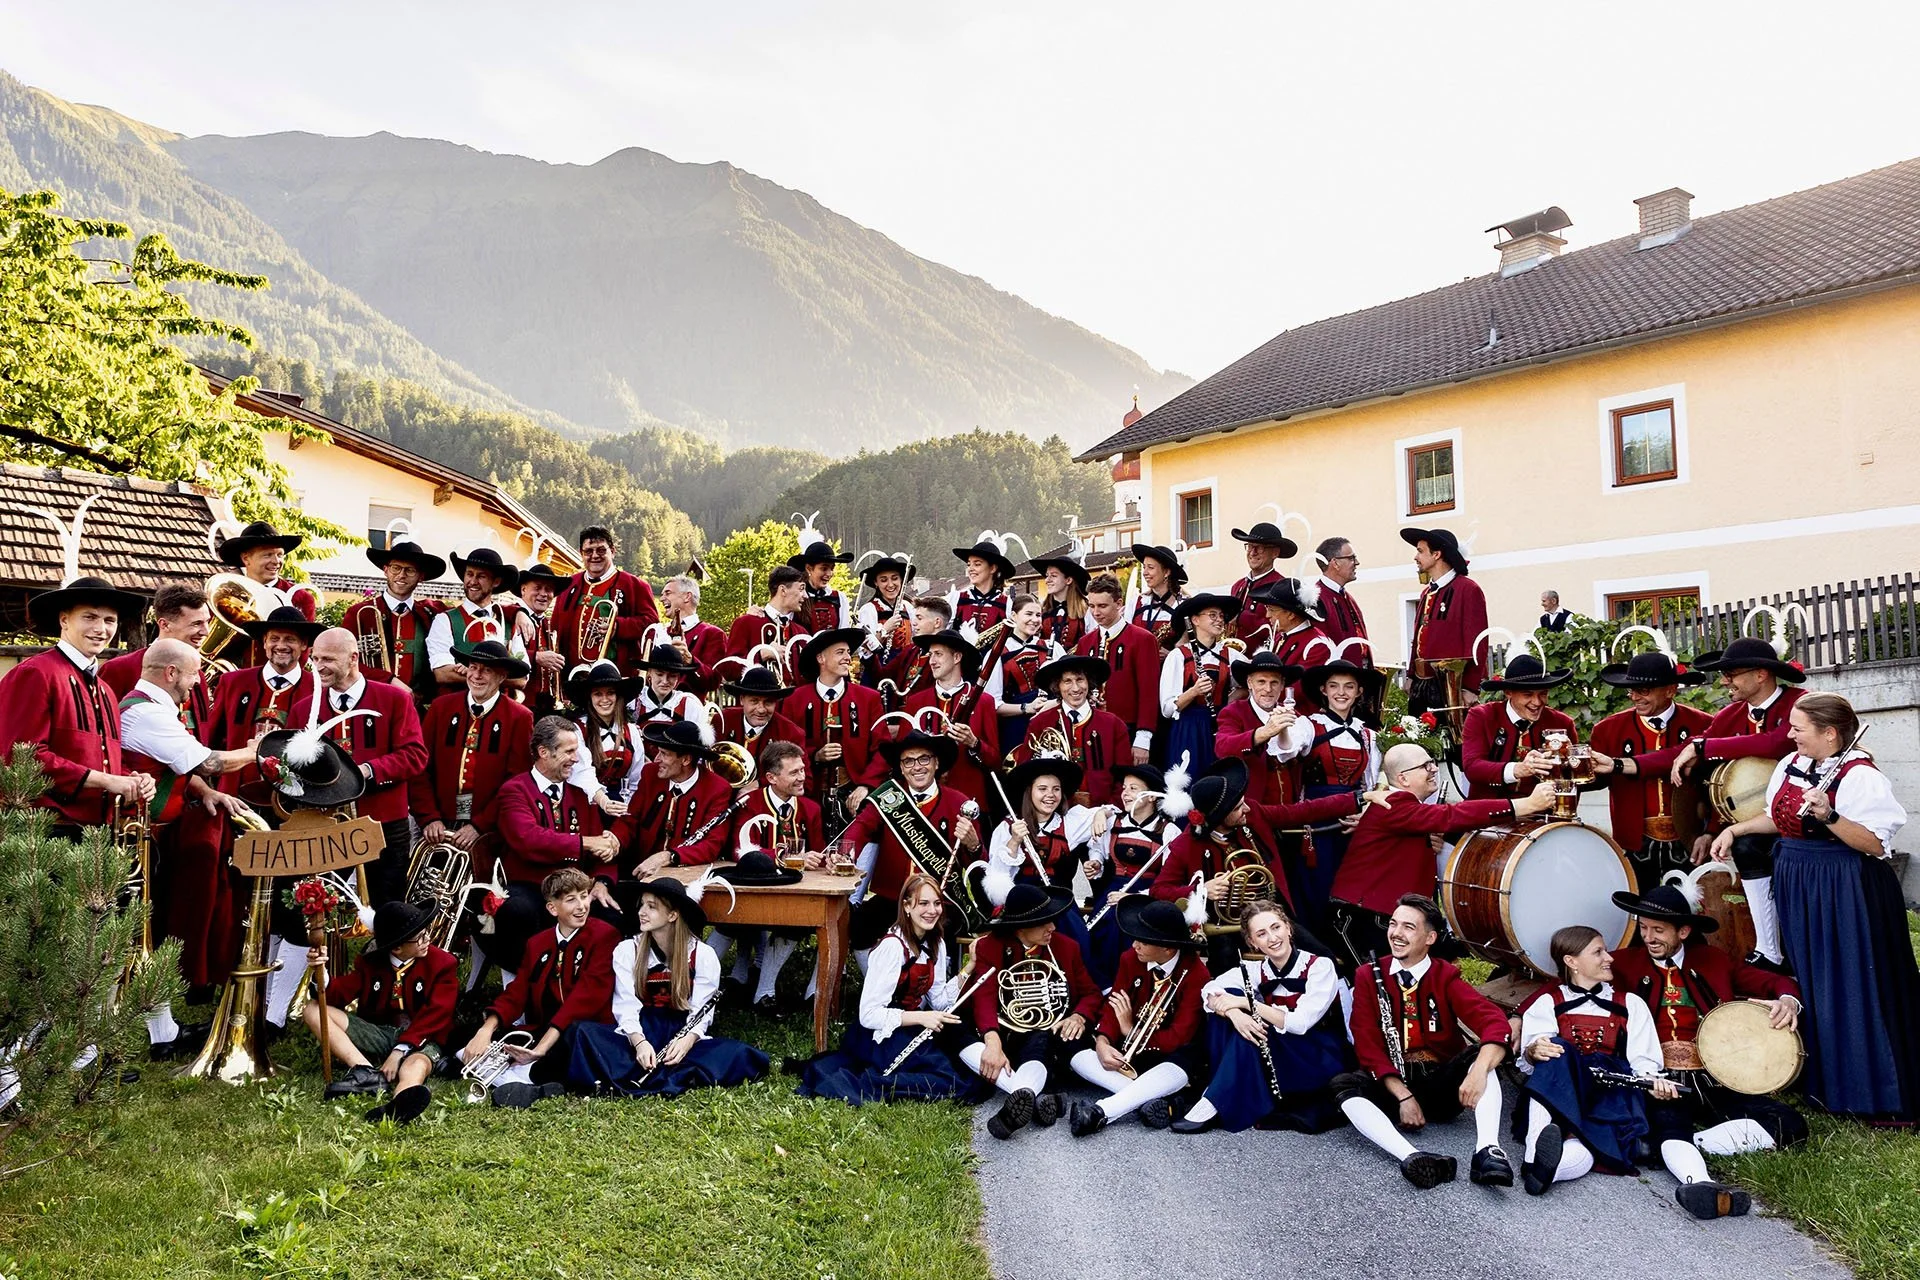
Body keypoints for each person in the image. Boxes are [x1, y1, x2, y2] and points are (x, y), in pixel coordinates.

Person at [1713, 691, 1917, 1121]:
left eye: (1798, 728)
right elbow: (1777, 817)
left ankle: (1870, 1092)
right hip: (1799, 880)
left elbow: (1876, 844)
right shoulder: (1792, 764)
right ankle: (1822, 1080)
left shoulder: (1861, 776)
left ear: (1829, 733)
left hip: (1846, 886)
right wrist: (1736, 831)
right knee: (1810, 975)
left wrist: (1830, 817)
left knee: (1849, 981)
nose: (1789, 735)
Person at [117, 638, 260, 1048]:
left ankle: (162, 1033)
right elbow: (207, 761)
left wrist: (204, 792)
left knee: (147, 936)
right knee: (135, 937)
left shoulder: (151, 708)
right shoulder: (147, 713)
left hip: (154, 835)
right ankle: (102, 1040)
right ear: (172, 673)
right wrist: (253, 752)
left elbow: (175, 764)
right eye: (195, 673)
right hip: (139, 837)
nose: (198, 682)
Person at [1609, 884, 1809, 1171]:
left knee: (1790, 1125)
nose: (1648, 938)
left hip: (1714, 1076)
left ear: (1683, 932)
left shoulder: (1712, 960)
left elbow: (1775, 982)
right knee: (1667, 1123)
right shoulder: (1623, 963)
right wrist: (1519, 1016)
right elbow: (1566, 983)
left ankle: (1687, 1145)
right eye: (1644, 928)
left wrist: (1789, 1001)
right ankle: (1678, 1148)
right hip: (1659, 1080)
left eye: (1658, 930)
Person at [1646, 636, 1808, 968]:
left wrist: (1702, 747)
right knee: (1744, 850)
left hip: (1802, 821)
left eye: (1732, 673)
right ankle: (1761, 952)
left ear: (1761, 674)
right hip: (1750, 828)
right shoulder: (1730, 715)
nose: (1724, 681)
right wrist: (1711, 829)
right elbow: (1715, 781)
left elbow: (1776, 742)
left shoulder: (1800, 703)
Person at [1334, 895, 1514, 1189]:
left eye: (1408, 927)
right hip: (1393, 1088)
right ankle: (1414, 1157)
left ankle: (1488, 1150)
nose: (1396, 934)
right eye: (1393, 924)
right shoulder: (1368, 975)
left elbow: (1493, 1022)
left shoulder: (1444, 975)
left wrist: (1479, 1070)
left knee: (1481, 1057)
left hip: (1440, 1087)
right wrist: (1403, 1096)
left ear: (1430, 937)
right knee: (1344, 1084)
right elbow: (1366, 1043)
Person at [1329, 743, 1552, 966]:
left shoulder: (1405, 807)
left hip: (1381, 917)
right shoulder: (1393, 804)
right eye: (1426, 766)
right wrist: (1524, 805)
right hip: (1364, 919)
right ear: (1403, 779)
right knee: (1378, 988)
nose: (1434, 769)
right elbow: (1451, 815)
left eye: (1433, 763)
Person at [566, 874, 768, 1098]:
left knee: (740, 1054)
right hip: (640, 1030)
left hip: (680, 1030)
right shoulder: (627, 950)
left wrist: (687, 1041)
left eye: (651, 907)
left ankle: (661, 1068)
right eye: (641, 905)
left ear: (672, 915)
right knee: (582, 1033)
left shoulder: (703, 955)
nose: (642, 912)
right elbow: (625, 1004)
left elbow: (702, 1011)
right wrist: (639, 1042)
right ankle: (661, 1070)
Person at [1151, 757, 1358, 969]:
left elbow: (1304, 811)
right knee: (1226, 965)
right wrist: (1200, 890)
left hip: (1269, 917)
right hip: (1225, 931)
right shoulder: (1185, 846)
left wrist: (1358, 798)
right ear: (1219, 817)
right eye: (1238, 808)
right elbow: (1158, 890)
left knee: (1324, 959)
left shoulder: (1254, 814)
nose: (1247, 809)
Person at [798, 873, 983, 1104]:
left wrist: (970, 967)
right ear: (906, 906)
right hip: (879, 1035)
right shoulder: (892, 947)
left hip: (912, 1027)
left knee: (964, 1071)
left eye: (936, 903)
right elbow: (868, 1015)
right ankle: (873, 1084)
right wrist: (921, 1017)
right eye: (923, 903)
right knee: (950, 1081)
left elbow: (939, 1001)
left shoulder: (936, 943)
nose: (932, 910)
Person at [1513, 925, 1668, 1198]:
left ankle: (1545, 1169)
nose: (1609, 958)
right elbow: (1531, 1057)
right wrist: (1532, 1052)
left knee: (1587, 1146)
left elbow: (1644, 1060)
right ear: (1571, 962)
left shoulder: (1630, 1003)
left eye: (1605, 950)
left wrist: (1653, 1081)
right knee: (1553, 1048)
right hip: (1560, 1091)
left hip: (1609, 1096)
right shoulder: (1548, 1002)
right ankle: (1535, 1149)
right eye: (1598, 952)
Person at [1174, 897, 1350, 1134]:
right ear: (1252, 942)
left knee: (1248, 1025)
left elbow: (1299, 1024)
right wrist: (1235, 1012)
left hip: (1315, 1054)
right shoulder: (1254, 969)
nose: (1273, 938)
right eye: (1262, 934)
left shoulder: (1320, 966)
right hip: (1276, 1050)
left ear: (1288, 928)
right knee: (1229, 1011)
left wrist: (1247, 1004)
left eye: (1276, 927)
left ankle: (1213, 1099)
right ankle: (1218, 1093)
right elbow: (1209, 991)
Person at [293, 629, 429, 906]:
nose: (319, 667)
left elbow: (415, 756)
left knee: (387, 909)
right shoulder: (303, 708)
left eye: (328, 659)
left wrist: (368, 770)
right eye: (315, 658)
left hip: (384, 825)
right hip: (326, 824)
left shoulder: (395, 699)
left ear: (354, 658)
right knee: (321, 910)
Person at [463, 868, 619, 1107]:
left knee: (573, 1035)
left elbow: (584, 1000)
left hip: (584, 1030)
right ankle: (520, 1075)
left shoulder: (604, 936)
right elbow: (518, 992)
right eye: (571, 899)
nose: (582, 906)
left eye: (584, 895)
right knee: (469, 1035)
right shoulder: (538, 943)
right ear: (552, 908)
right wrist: (485, 1030)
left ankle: (525, 1076)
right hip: (544, 1029)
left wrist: (541, 1049)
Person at [962, 884, 1101, 1140]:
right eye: (1044, 923)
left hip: (1041, 1036)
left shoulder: (1066, 947)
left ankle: (1022, 1095)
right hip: (1002, 1031)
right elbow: (984, 998)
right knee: (954, 1027)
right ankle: (1031, 1096)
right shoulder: (991, 947)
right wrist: (992, 1043)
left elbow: (1091, 993)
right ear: (1021, 927)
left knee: (1042, 1036)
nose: (1053, 928)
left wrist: (1078, 1015)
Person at [306, 901, 457, 1126]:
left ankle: (400, 1102)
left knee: (415, 1065)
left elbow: (436, 1014)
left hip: (422, 1038)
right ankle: (365, 1071)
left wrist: (399, 1051)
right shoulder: (371, 961)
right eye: (420, 938)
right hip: (380, 1032)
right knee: (312, 1009)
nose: (428, 940)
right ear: (396, 948)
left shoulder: (442, 963)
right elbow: (338, 994)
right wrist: (321, 972)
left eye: (427, 933)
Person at [1068, 898, 1211, 1136]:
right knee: (1071, 1044)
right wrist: (1103, 1042)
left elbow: (1178, 1036)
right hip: (1131, 1048)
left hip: (1168, 1052)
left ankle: (1100, 1111)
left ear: (1168, 948)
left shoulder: (1196, 974)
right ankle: (1155, 1098)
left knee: (1183, 1061)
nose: (1135, 945)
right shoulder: (1130, 958)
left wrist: (1128, 1029)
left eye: (1143, 941)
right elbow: (1115, 1003)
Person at [492, 715, 623, 970]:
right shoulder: (514, 790)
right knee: (518, 912)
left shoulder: (579, 794)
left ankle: (597, 989)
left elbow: (601, 852)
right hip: (531, 887)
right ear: (543, 752)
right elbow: (528, 839)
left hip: (577, 889)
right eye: (569, 751)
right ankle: (518, 997)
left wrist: (603, 883)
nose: (576, 758)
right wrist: (585, 842)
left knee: (614, 913)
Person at [840, 731, 982, 951]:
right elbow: (861, 827)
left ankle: (931, 982)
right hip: (893, 899)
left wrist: (973, 845)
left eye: (924, 758)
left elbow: (979, 864)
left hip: (939, 901)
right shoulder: (887, 797)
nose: (916, 767)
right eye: (908, 761)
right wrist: (843, 853)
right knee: (859, 927)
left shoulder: (959, 803)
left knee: (940, 934)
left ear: (936, 763)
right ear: (901, 767)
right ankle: (881, 983)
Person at [409, 639, 535, 882]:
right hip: (438, 823)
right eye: (473, 667)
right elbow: (420, 767)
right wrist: (429, 817)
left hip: (487, 830)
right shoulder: (440, 707)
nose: (477, 675)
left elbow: (515, 783)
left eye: (486, 670)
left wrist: (479, 825)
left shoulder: (519, 717)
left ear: (502, 676)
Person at [1589, 651, 1713, 890]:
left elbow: (1716, 783)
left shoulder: (1703, 724)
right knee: (1637, 913)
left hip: (1689, 839)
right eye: (1631, 690)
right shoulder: (1607, 729)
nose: (1634, 697)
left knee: (1689, 913)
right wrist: (1567, 771)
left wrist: (1710, 832)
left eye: (1643, 690)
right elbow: (1595, 780)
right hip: (1634, 842)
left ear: (1670, 690)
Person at [714, 740, 825, 1008]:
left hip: (796, 892)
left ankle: (764, 991)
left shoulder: (810, 808)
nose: (802, 777)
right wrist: (788, 857)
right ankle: (694, 983)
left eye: (802, 770)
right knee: (730, 919)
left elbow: (819, 852)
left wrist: (824, 860)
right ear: (771, 778)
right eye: (794, 772)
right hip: (750, 891)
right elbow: (741, 849)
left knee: (796, 922)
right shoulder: (748, 803)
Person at [983, 756, 1109, 962]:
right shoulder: (1008, 827)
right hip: (1023, 906)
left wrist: (1101, 814)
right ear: (1029, 792)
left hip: (1060, 903)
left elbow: (1113, 813)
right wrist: (1014, 842)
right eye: (1042, 789)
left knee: (1078, 944)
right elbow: (996, 882)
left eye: (1056, 789)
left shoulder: (1070, 821)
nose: (1050, 795)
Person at [1297, 658, 1387, 924]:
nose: (1341, 692)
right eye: (1334, 686)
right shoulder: (1307, 726)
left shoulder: (1368, 735)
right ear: (1323, 690)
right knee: (1317, 884)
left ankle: (1347, 943)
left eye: (1349, 686)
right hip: (1316, 817)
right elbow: (1285, 754)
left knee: (1349, 883)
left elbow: (1371, 783)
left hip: (1351, 820)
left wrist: (1365, 815)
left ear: (1359, 692)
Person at [1084, 762, 1187, 988]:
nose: (1125, 793)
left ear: (1151, 797)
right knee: (1103, 929)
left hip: (1149, 896)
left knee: (1131, 931)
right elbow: (1097, 849)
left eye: (1133, 788)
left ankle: (1132, 987)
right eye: (1124, 787)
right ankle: (1102, 987)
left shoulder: (1169, 831)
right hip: (1113, 891)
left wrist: (1136, 896)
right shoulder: (1113, 822)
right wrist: (1096, 863)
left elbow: (1171, 879)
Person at [209, 607, 322, 803]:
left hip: (292, 802)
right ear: (264, 642)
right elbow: (210, 737)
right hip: (232, 796)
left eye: (290, 639)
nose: (281, 645)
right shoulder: (232, 682)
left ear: (304, 644)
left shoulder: (318, 689)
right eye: (274, 638)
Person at [785, 626, 888, 833]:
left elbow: (883, 749)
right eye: (840, 652)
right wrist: (815, 756)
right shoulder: (794, 700)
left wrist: (866, 786)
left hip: (854, 798)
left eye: (849, 652)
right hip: (807, 797)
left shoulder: (869, 699)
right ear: (821, 658)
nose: (848, 658)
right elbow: (785, 749)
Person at [614, 720, 736, 882]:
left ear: (685, 760)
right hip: (639, 872)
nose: (656, 759)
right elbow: (630, 820)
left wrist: (668, 857)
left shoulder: (717, 789)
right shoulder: (650, 774)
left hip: (685, 877)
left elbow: (711, 845)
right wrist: (613, 839)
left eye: (664, 754)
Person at [1010, 655, 1132, 808]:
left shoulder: (1114, 724)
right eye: (1067, 681)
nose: (1075, 688)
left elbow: (1124, 777)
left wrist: (1109, 809)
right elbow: (1026, 773)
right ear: (1057, 687)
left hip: (1102, 814)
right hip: (1054, 812)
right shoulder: (1039, 723)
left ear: (1089, 683)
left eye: (1080, 680)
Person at [1460, 654, 1585, 801]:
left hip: (1545, 815)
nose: (1537, 702)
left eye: (1543, 693)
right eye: (1528, 694)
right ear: (1508, 693)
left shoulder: (1562, 723)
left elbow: (1575, 779)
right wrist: (1519, 769)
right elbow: (1473, 767)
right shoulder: (1481, 716)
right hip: (1490, 814)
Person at [340, 540, 447, 709]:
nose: (401, 575)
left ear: (421, 576)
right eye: (396, 568)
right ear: (385, 570)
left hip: (417, 708)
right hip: (371, 702)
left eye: (410, 570)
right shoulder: (360, 613)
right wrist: (389, 680)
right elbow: (345, 660)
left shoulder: (432, 614)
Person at [904, 629, 1000, 810]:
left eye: (938, 654)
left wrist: (974, 743)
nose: (931, 661)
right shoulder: (915, 702)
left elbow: (995, 761)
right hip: (923, 801)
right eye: (930, 654)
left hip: (968, 801)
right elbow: (902, 756)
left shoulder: (983, 701)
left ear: (957, 657)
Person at [1400, 526, 1488, 715]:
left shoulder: (1468, 589)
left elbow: (1477, 642)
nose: (1416, 557)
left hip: (1450, 687)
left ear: (1437, 554)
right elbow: (1417, 638)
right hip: (1421, 686)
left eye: (1420, 551)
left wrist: (1470, 687)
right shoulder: (1426, 593)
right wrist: (1411, 675)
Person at [552, 525, 660, 676]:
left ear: (613, 551)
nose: (595, 556)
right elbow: (554, 627)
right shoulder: (569, 584)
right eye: (588, 551)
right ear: (580, 554)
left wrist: (617, 627)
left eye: (601, 550)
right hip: (571, 678)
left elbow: (652, 624)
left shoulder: (635, 585)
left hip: (617, 677)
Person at [1074, 574, 1159, 766]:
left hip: (1127, 730)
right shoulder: (1085, 642)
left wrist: (1143, 738)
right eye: (1091, 606)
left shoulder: (1142, 639)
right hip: (1090, 728)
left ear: (1119, 603)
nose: (1095, 612)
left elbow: (1149, 692)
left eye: (1102, 606)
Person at [1213, 652, 1310, 807]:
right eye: (1261, 682)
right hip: (1250, 811)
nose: (1268, 689)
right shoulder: (1233, 712)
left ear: (1282, 685)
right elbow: (1223, 748)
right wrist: (1265, 732)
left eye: (1274, 682)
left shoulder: (1295, 717)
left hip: (1288, 811)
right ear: (1249, 683)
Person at [1159, 592, 1241, 775]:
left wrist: (1229, 700)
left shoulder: (1231, 655)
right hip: (1189, 729)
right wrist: (1194, 691)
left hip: (1222, 726)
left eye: (1221, 616)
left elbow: (1249, 684)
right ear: (1195, 620)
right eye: (1212, 615)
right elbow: (1167, 709)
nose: (1219, 620)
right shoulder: (1178, 656)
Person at [427, 548, 532, 690]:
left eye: (481, 576)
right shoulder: (445, 620)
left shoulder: (509, 623)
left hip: (501, 708)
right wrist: (499, 677)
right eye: (469, 574)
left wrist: (469, 672)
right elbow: (442, 673)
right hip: (458, 707)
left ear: (496, 582)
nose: (473, 581)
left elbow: (522, 679)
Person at [565, 661, 647, 814]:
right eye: (598, 694)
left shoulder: (631, 731)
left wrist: (628, 806)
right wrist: (603, 800)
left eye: (610, 693)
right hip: (585, 806)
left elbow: (636, 777)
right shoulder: (578, 730)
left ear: (618, 696)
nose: (604, 699)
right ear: (590, 698)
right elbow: (581, 772)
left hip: (621, 806)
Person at [983, 593, 1055, 749]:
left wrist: (1053, 702)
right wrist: (1027, 707)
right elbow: (992, 704)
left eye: (1038, 615)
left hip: (1051, 723)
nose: (1035, 620)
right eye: (1028, 614)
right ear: (1014, 616)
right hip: (1016, 727)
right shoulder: (997, 652)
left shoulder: (1052, 647)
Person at [217, 521, 319, 621]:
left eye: (280, 555)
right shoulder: (226, 596)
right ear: (246, 559)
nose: (276, 561)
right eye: (267, 555)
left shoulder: (301, 598)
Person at [1247, 578, 1328, 703]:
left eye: (1272, 610)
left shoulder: (1316, 645)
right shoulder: (1279, 635)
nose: (1267, 615)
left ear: (1290, 614)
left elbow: (1299, 690)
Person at [714, 666, 807, 772]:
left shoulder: (792, 734)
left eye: (768, 702)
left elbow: (803, 781)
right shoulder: (722, 721)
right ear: (741, 700)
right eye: (754, 701)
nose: (761, 709)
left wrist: (759, 784)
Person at [854, 554, 916, 695]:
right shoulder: (869, 609)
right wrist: (885, 629)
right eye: (883, 580)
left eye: (895, 578)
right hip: (877, 673)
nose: (890, 584)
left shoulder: (908, 607)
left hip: (904, 673)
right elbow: (865, 651)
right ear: (876, 583)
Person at [1227, 520, 1294, 648]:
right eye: (1250, 546)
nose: (1253, 552)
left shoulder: (1281, 586)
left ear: (1275, 553)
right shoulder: (1238, 586)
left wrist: (1241, 617)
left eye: (1260, 547)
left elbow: (1280, 627)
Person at [658, 574, 728, 696]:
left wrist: (690, 661)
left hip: (688, 709)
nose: (661, 599)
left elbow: (714, 681)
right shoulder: (659, 632)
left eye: (668, 593)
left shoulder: (713, 633)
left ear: (687, 596)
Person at [630, 645, 711, 747]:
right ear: (649, 672)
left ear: (678, 676)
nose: (665, 681)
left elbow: (699, 747)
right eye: (659, 674)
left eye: (672, 676)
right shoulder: (633, 701)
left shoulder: (689, 704)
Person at [726, 563, 810, 659]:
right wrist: (761, 655)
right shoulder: (745, 623)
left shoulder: (801, 632)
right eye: (801, 589)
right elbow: (728, 668)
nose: (806, 596)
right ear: (783, 590)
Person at [519, 561, 568, 717]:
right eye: (537, 588)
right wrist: (536, 657)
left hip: (545, 705)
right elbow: (503, 655)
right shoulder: (511, 617)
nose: (543, 594)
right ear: (523, 589)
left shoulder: (547, 624)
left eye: (549, 589)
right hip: (521, 702)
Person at [886, 594, 953, 708]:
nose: (914, 623)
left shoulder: (950, 656)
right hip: (900, 719)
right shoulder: (910, 650)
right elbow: (884, 676)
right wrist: (870, 653)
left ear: (937, 622)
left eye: (919, 618)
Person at [947, 536, 1016, 642]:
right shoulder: (956, 598)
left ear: (993, 568)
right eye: (969, 564)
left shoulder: (1007, 604)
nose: (970, 569)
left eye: (977, 564)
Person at [1313, 537, 1369, 656]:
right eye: (1351, 558)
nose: (1357, 563)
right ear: (1335, 563)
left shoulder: (1348, 597)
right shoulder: (1316, 599)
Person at [1127, 543, 1189, 643]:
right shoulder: (1136, 603)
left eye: (1150, 567)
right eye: (1144, 567)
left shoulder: (1184, 605)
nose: (1145, 573)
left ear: (1166, 572)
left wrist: (1171, 654)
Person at [790, 537, 854, 634]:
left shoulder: (839, 598)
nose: (829, 574)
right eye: (824, 568)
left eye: (832, 568)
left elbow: (843, 633)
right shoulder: (795, 596)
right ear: (809, 569)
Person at [1031, 551, 1089, 652]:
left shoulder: (1086, 611)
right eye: (1047, 575)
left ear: (1068, 580)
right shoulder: (1041, 612)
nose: (1047, 580)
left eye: (1053, 576)